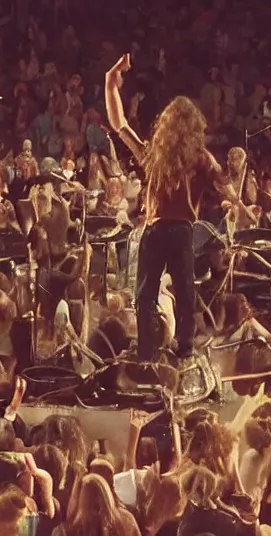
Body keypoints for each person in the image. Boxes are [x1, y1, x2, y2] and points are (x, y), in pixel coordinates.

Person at [104, 54, 243, 361]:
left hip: (156, 230)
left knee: (147, 295)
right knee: (183, 291)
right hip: (178, 230)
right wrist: (238, 172)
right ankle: (184, 347)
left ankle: (147, 351)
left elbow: (120, 126)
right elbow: (227, 186)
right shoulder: (198, 157)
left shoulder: (156, 154)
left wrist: (110, 82)